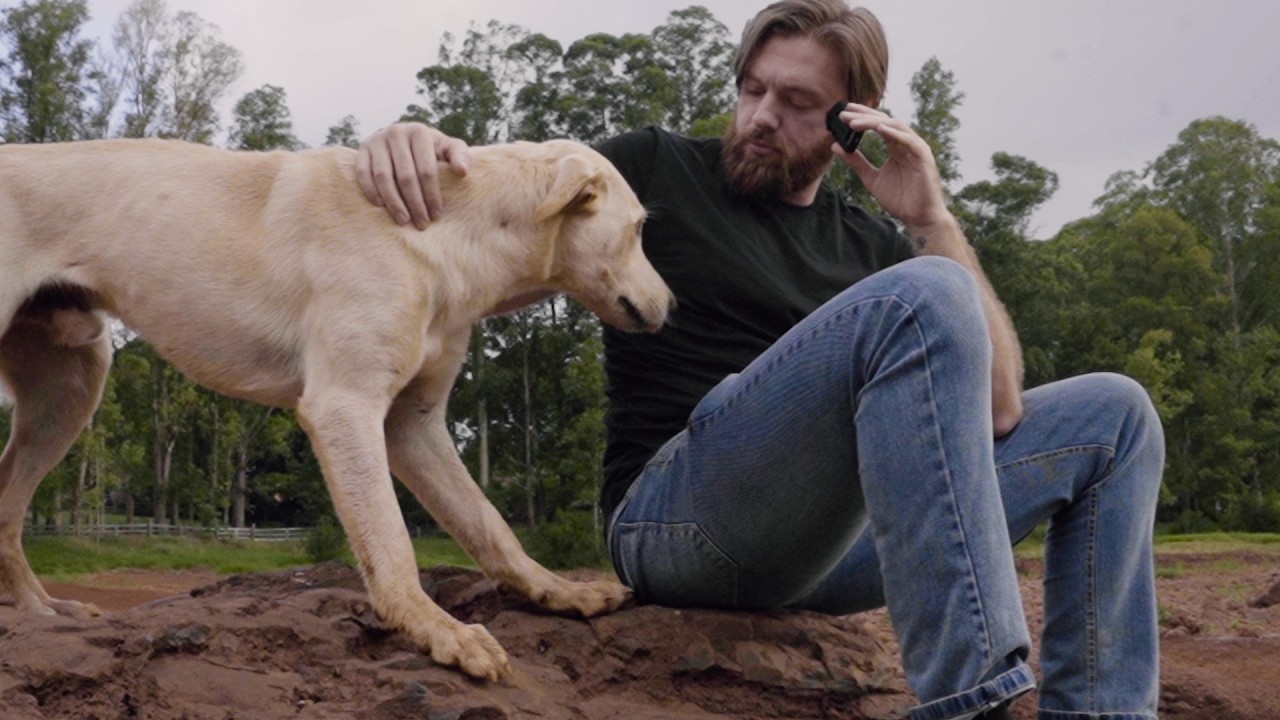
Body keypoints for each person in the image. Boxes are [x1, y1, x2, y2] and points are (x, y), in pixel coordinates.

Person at [356, 1, 1165, 718]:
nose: (760, 116)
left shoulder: (877, 248)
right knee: (923, 297)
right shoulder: (649, 168)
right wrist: (418, 147)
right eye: (752, 89)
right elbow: (481, 215)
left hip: (828, 549)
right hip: (674, 516)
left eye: (796, 102)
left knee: (1115, 414)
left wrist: (933, 222)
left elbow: (998, 412)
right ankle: (969, 702)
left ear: (857, 120)